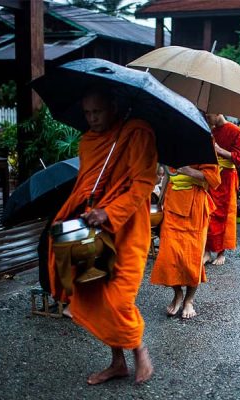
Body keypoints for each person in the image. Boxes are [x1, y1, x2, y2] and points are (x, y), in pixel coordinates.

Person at [47, 91, 156, 384]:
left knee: (120, 299)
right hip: (94, 227)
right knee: (95, 288)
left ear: (114, 106)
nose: (92, 118)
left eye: (98, 111)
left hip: (129, 227)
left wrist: (110, 211)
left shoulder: (136, 133)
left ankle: (139, 351)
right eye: (87, 113)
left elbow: (144, 183)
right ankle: (117, 362)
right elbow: (86, 182)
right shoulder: (88, 141)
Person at [150, 163, 220, 319]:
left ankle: (189, 300)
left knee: (192, 259)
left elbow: (215, 179)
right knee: (169, 257)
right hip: (172, 205)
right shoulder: (173, 145)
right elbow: (167, 176)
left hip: (195, 207)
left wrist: (189, 171)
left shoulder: (204, 145)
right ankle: (177, 293)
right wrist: (160, 201)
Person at [204, 114, 240, 266]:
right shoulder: (211, 131)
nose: (207, 119)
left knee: (224, 214)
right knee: (209, 212)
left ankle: (221, 252)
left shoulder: (236, 131)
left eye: (209, 116)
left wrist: (220, 150)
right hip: (212, 176)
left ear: (217, 112)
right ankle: (207, 251)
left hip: (227, 177)